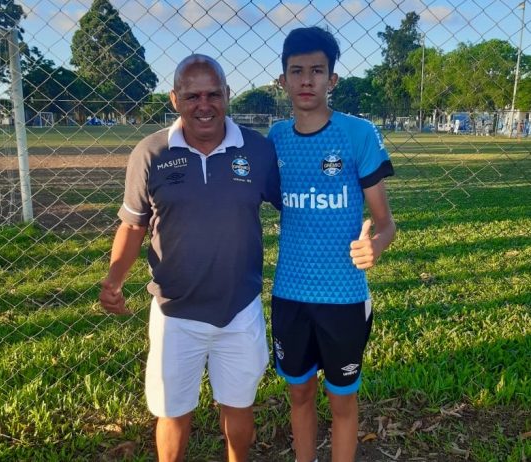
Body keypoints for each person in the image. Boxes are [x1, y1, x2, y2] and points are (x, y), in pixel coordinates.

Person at [99, 54, 281, 462]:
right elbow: (133, 225)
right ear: (174, 99)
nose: (204, 105)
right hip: (174, 312)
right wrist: (114, 279)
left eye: (213, 94)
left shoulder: (257, 150)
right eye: (192, 96)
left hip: (239, 308)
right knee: (172, 411)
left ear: (227, 95)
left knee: (239, 405)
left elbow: (294, 206)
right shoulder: (151, 152)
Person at [268, 26, 396, 462]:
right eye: (297, 71)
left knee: (342, 400)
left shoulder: (357, 135)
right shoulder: (275, 139)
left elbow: (386, 224)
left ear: (332, 79)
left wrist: (376, 245)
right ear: (282, 80)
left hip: (343, 295)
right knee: (299, 394)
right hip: (290, 293)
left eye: (317, 71)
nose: (307, 80)